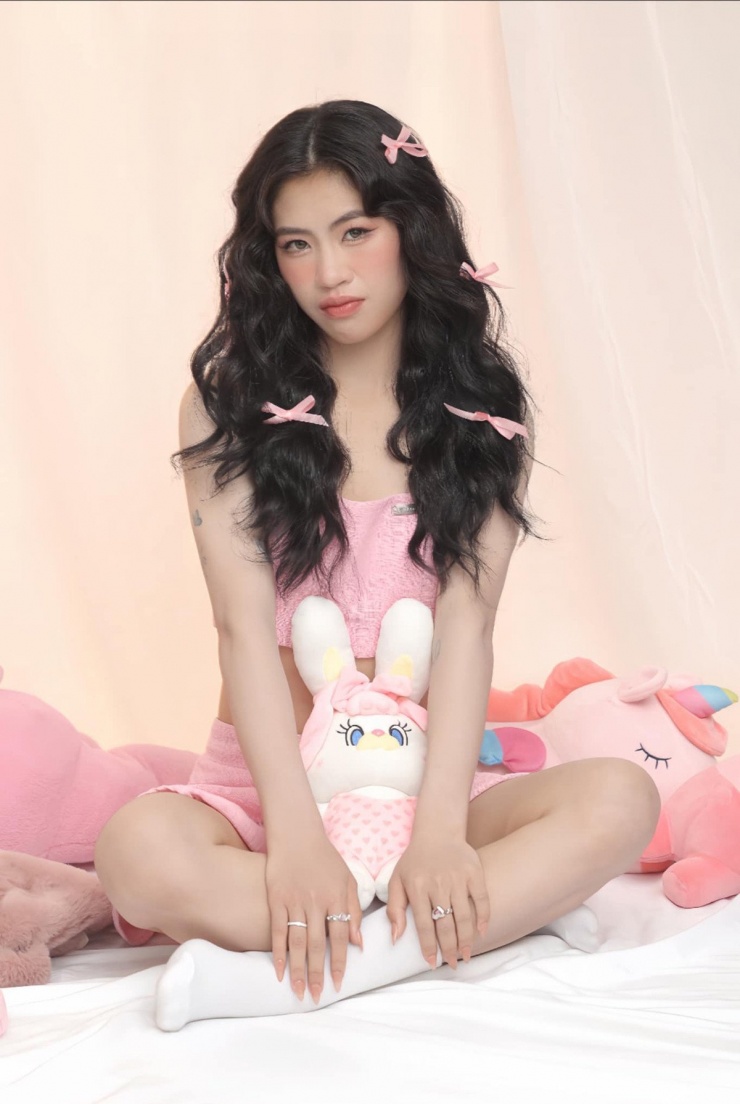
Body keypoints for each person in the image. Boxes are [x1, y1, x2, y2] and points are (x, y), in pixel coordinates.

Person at [94, 100, 661, 1030]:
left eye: (355, 231)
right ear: (268, 258)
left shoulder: (483, 412)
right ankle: (486, 923)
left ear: (411, 227)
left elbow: (468, 630)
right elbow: (242, 629)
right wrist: (295, 844)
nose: (330, 273)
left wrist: (441, 834)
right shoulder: (227, 404)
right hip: (265, 792)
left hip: (426, 782)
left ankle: (314, 967)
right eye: (297, 244)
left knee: (621, 799)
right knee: (136, 853)